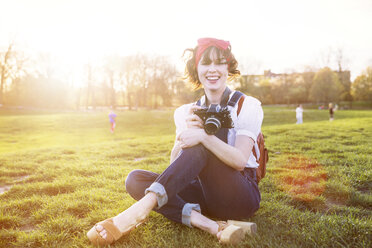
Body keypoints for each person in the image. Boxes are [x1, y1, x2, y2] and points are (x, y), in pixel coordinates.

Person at [87, 38, 264, 246]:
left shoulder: (247, 105)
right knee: (135, 179)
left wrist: (204, 137)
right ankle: (212, 226)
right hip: (203, 193)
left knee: (201, 145)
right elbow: (174, 167)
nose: (212, 69)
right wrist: (187, 135)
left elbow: (240, 160)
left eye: (219, 62)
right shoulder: (185, 112)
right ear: (196, 68)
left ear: (228, 66)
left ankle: (139, 211)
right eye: (205, 63)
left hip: (239, 194)